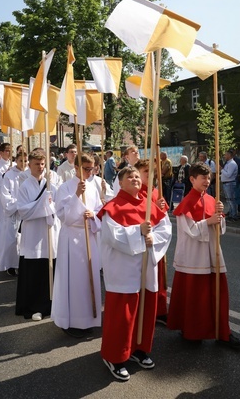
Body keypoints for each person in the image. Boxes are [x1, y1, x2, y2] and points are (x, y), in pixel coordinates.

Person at [98, 166, 172, 381]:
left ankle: (138, 348)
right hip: (123, 269)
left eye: (137, 176)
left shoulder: (149, 205)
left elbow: (165, 229)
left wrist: (152, 240)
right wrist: (138, 233)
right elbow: (113, 237)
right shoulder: (113, 207)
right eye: (129, 176)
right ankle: (114, 356)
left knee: (145, 310)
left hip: (146, 266)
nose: (135, 179)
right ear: (120, 183)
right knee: (123, 314)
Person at [167, 162, 240, 349]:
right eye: (203, 177)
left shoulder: (212, 200)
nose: (207, 180)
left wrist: (219, 217)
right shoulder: (186, 202)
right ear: (192, 179)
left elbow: (220, 229)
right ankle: (193, 331)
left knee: (217, 293)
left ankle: (222, 332)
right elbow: (191, 231)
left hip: (213, 253)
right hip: (194, 257)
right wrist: (208, 221)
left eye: (209, 177)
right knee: (195, 296)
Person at [51, 152, 102, 337]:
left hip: (88, 234)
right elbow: (63, 215)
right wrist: (76, 195)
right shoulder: (65, 187)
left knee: (89, 278)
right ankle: (70, 321)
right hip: (72, 238)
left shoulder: (93, 186)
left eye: (92, 169)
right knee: (73, 280)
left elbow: (98, 209)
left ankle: (89, 318)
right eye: (87, 169)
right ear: (76, 168)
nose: (90, 173)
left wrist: (94, 215)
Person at [16, 150, 59, 320]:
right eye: (36, 164)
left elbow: (57, 207)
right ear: (30, 165)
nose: (40, 167)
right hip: (33, 234)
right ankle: (34, 306)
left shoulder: (51, 186)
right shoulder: (25, 186)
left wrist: (49, 208)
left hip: (48, 233)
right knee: (34, 272)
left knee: (48, 269)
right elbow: (23, 211)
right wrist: (44, 206)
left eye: (43, 164)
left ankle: (49, 305)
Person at [135, 159, 169, 325]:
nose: (149, 175)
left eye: (152, 171)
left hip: (158, 242)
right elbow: (138, 217)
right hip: (144, 243)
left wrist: (160, 206)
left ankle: (160, 309)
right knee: (146, 279)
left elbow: (164, 216)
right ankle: (146, 310)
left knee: (161, 277)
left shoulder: (156, 191)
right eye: (145, 171)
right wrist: (155, 207)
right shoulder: (137, 192)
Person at [0, 152, 26, 275]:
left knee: (24, 241)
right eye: (21, 161)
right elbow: (5, 195)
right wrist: (18, 204)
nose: (23, 164)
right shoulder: (9, 175)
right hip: (14, 213)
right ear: (16, 160)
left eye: (26, 161)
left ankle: (22, 264)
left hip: (27, 212)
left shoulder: (29, 175)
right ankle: (10, 264)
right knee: (12, 240)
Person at [219, 149, 238, 221]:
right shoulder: (228, 163)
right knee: (228, 200)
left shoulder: (232, 164)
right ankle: (231, 213)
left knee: (231, 199)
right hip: (226, 183)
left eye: (226, 155)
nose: (224, 156)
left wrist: (222, 169)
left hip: (230, 183)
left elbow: (229, 175)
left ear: (229, 155)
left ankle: (234, 215)